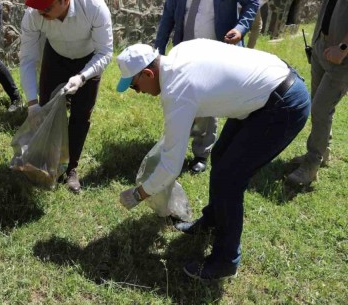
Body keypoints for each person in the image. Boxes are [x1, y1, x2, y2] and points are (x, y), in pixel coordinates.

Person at [116, 40, 310, 281]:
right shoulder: (179, 52)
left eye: (135, 86)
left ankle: (226, 260)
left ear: (147, 73)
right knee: (220, 157)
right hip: (266, 90)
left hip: (283, 105)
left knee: (230, 179)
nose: (140, 93)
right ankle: (213, 220)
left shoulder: (177, 90)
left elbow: (170, 166)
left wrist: (138, 194)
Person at [154, 0, 260, 174]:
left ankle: (202, 152)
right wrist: (159, 47)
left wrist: (241, 28)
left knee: (207, 103)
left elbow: (252, 1)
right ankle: (175, 148)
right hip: (186, 50)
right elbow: (169, 14)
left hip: (218, 52)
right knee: (181, 100)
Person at [20, 0, 113, 192]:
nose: (41, 12)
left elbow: (106, 51)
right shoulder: (34, 14)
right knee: (47, 111)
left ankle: (71, 168)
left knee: (81, 115)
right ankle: (48, 162)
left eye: (47, 7)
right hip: (56, 56)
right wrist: (32, 104)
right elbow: (28, 59)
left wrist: (82, 77)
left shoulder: (92, 5)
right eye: (37, 5)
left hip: (88, 60)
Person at [286, 0, 348, 186]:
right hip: (322, 48)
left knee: (321, 108)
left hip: (341, 58)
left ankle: (311, 164)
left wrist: (344, 49)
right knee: (318, 105)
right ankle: (323, 152)